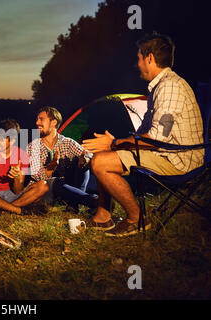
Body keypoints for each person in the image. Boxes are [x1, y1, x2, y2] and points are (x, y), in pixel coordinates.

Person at [82, 32, 204, 237]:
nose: (137, 64)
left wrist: (114, 144)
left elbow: (156, 139)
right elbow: (144, 132)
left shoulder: (169, 88)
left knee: (100, 163)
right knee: (100, 157)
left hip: (178, 158)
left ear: (150, 58)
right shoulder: (160, 87)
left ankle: (136, 218)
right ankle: (103, 216)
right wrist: (114, 144)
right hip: (168, 151)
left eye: (139, 58)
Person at [26, 106, 98, 211]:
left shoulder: (67, 142)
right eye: (37, 119)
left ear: (53, 122)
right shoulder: (33, 147)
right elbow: (37, 177)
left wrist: (85, 159)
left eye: (41, 119)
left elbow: (87, 154)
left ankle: (74, 204)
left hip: (66, 191)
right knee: (54, 182)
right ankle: (93, 201)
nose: (37, 123)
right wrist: (51, 168)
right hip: (45, 193)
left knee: (82, 163)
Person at [0, 119, 49, 214]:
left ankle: (2, 210)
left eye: (0, 139)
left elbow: (17, 191)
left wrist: (17, 177)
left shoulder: (22, 155)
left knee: (43, 186)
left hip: (11, 196)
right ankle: (17, 210)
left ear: (12, 140)